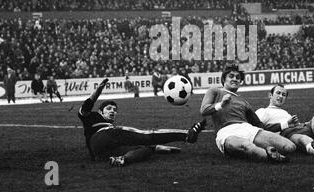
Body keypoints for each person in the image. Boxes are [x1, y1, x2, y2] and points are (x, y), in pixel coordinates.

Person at [78, 78, 206, 166]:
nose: (112, 111)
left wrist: (156, 148)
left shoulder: (110, 127)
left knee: (146, 149)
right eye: (109, 109)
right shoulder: (92, 117)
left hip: (100, 154)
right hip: (100, 137)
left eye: (115, 110)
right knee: (146, 135)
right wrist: (98, 92)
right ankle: (187, 135)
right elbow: (85, 107)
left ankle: (122, 160)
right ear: (100, 111)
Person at [200, 64, 295, 164]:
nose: (235, 79)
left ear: (240, 82)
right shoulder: (215, 91)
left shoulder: (244, 102)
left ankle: (270, 152)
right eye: (231, 76)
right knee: (246, 146)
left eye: (238, 77)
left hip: (247, 129)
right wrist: (221, 104)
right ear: (224, 79)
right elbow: (204, 110)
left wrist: (286, 124)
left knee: (289, 147)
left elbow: (260, 125)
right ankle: (272, 156)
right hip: (227, 132)